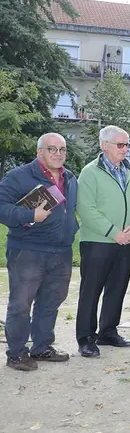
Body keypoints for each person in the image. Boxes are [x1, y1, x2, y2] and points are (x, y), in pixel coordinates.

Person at [0, 133, 78, 370]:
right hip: (28, 251)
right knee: (21, 304)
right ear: (39, 152)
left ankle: (42, 348)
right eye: (52, 149)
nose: (58, 154)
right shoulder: (19, 176)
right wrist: (29, 215)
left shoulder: (70, 177)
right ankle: (15, 353)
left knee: (50, 302)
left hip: (61, 251)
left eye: (62, 150)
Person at [75, 126, 130, 357]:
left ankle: (108, 331)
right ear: (105, 145)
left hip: (127, 243)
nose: (126, 149)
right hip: (98, 242)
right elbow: (86, 209)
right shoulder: (89, 172)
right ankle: (85, 337)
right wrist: (114, 232)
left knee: (117, 289)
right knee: (91, 291)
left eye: (127, 145)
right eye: (120, 145)